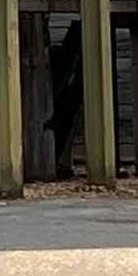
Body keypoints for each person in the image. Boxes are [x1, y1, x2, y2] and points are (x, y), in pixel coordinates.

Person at [45, 19, 86, 176]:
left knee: (68, 109)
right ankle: (61, 163)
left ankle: (61, 163)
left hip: (63, 97)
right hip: (65, 97)